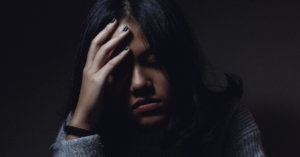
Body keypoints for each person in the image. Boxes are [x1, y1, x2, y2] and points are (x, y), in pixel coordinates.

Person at [51, 0, 266, 156]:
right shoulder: (80, 128)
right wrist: (81, 126)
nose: (139, 83)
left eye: (155, 62)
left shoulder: (227, 119)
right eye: (116, 70)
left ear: (180, 59)